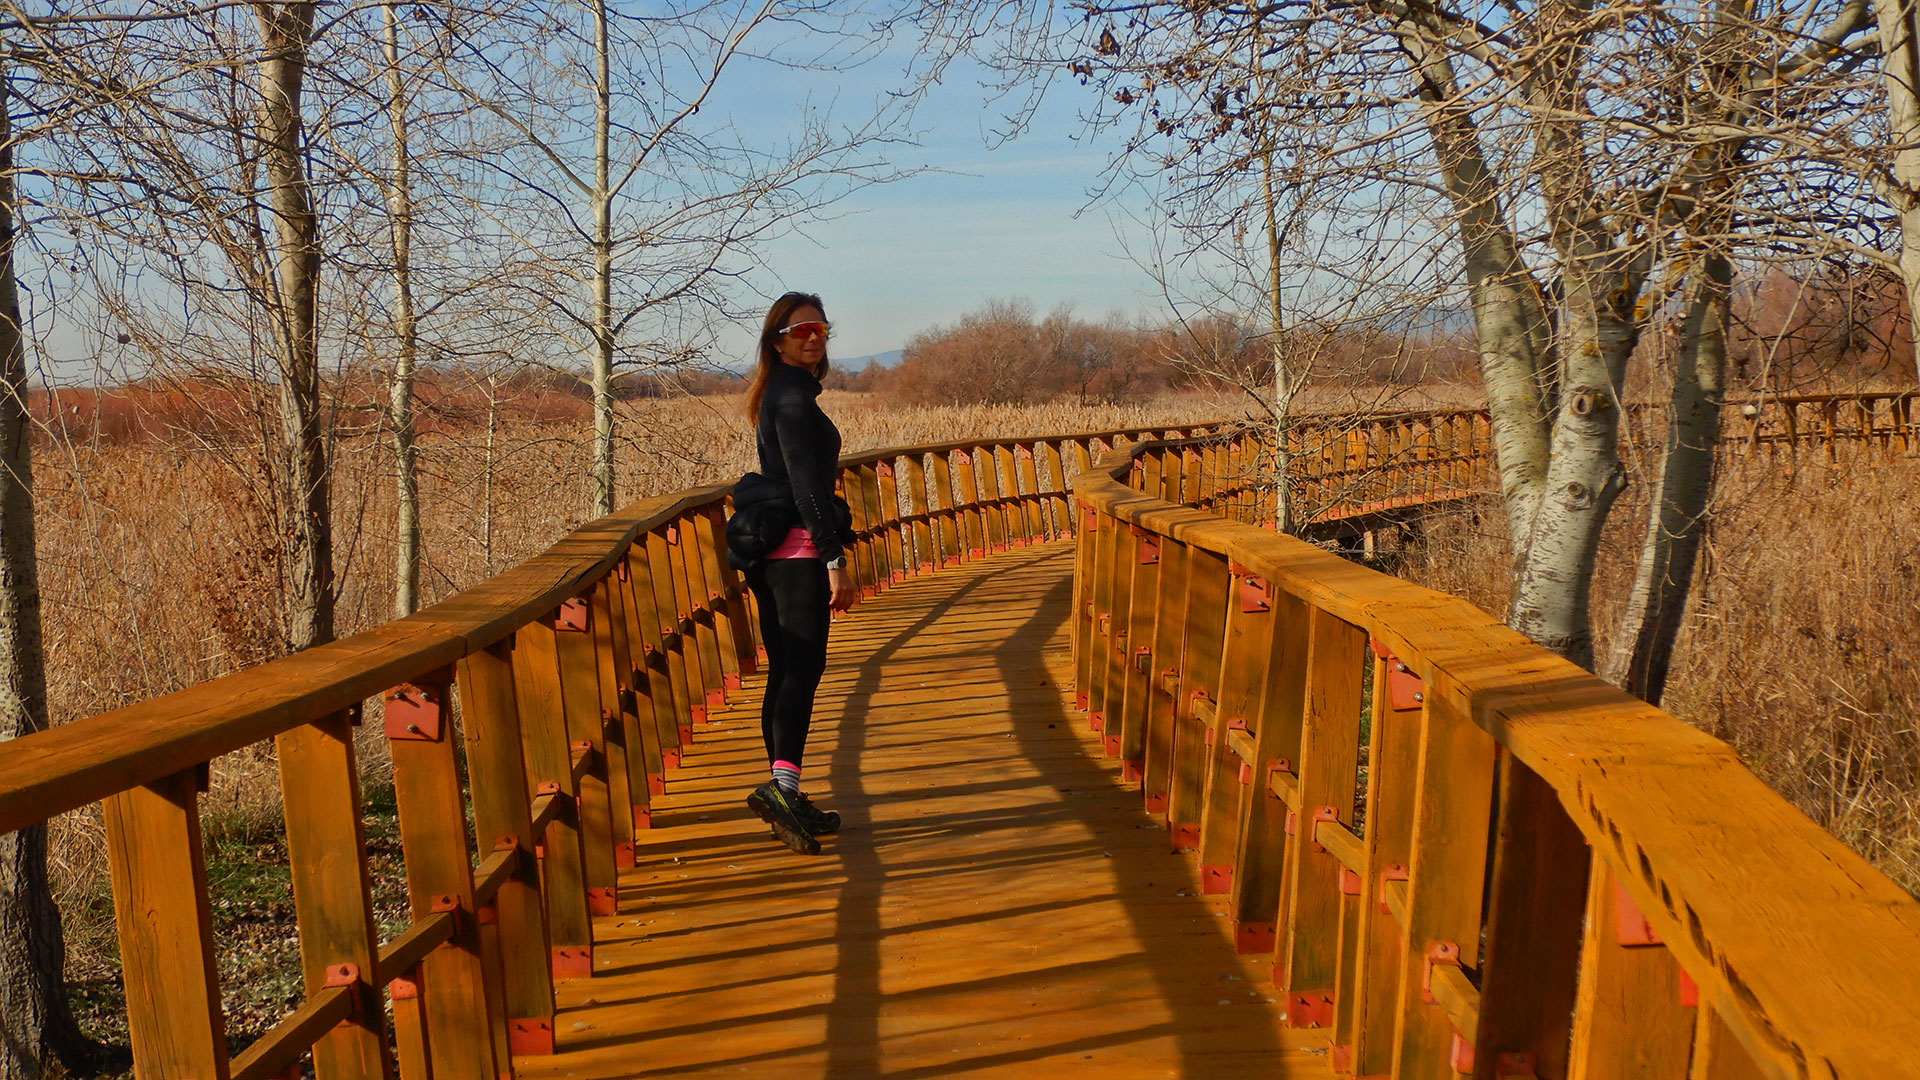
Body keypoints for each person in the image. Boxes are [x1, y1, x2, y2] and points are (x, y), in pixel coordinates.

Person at [740, 292, 858, 855]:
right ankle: (782, 786)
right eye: (801, 329)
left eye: (821, 328)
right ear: (777, 339)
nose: (813, 337)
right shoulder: (790, 400)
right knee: (801, 671)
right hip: (798, 553)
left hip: (776, 554)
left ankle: (785, 792)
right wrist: (834, 558)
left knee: (787, 669)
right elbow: (809, 488)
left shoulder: (785, 393)